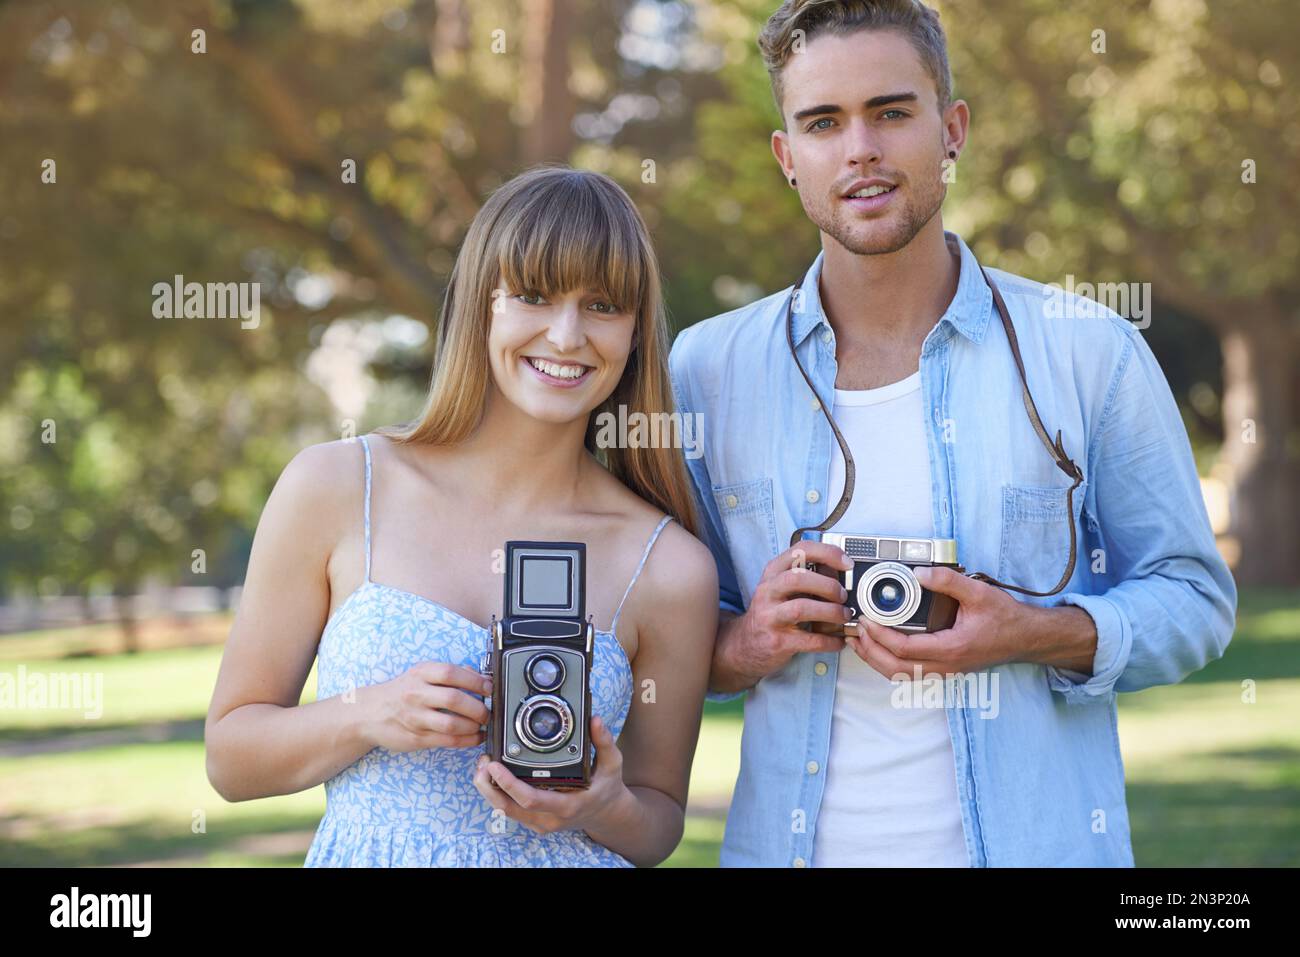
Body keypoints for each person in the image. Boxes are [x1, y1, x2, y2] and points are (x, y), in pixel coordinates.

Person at [668, 0, 1237, 867]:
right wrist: (743, 644)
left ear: (952, 129)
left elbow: (1195, 599)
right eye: (823, 122)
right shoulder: (705, 370)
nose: (860, 148)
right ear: (788, 156)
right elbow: (652, 633)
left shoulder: (1087, 350)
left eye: (892, 112)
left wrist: (1032, 630)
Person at [206, 164, 718, 867]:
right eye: (535, 296)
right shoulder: (335, 484)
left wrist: (604, 804)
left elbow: (658, 822)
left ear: (634, 332)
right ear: (483, 303)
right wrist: (368, 712)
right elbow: (231, 758)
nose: (567, 336)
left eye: (602, 305)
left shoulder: (669, 564)